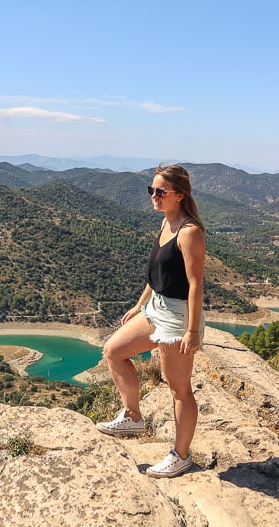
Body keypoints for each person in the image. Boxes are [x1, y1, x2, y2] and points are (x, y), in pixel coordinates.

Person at [98, 163, 206, 478]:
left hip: (177, 317)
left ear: (180, 195)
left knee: (179, 390)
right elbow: (158, 274)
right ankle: (132, 416)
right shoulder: (166, 224)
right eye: (152, 190)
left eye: (160, 191)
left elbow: (195, 284)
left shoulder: (189, 232)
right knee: (113, 351)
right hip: (155, 308)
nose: (153, 196)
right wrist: (139, 304)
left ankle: (181, 455)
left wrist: (192, 331)